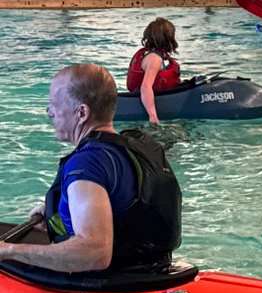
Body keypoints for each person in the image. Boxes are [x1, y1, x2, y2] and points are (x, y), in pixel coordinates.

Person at [0, 64, 181, 280]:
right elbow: (124, 208)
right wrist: (57, 210)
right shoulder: (133, 147)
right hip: (153, 270)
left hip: (113, 284)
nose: (49, 112)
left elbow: (94, 253)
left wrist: (9, 251)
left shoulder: (87, 164)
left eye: (54, 104)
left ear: (82, 112)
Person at [125, 17, 181, 124]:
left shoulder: (150, 54)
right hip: (146, 102)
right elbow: (146, 87)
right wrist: (153, 116)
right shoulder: (155, 59)